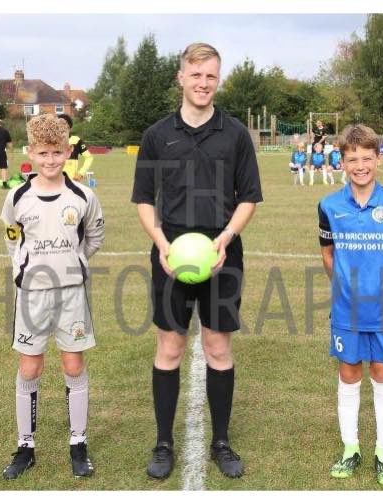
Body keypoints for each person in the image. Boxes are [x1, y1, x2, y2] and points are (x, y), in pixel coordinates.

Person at [131, 42, 263, 480]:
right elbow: (143, 199)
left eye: (211, 76)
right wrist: (161, 244)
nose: (203, 83)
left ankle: (221, 441)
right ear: (181, 77)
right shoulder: (157, 135)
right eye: (196, 75)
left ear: (217, 80)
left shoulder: (236, 134)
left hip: (223, 255)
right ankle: (163, 443)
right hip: (171, 256)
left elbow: (249, 198)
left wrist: (225, 238)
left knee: (218, 348)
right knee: (169, 347)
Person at [0, 114, 105, 480]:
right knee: (30, 367)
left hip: (71, 294)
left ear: (67, 152)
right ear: (31, 152)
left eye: (57, 152)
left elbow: (94, 237)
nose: (50, 160)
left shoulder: (83, 196)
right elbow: (12, 236)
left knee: (73, 365)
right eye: (43, 153)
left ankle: (78, 444)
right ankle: (25, 447)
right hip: (32, 295)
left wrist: (75, 263)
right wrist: (22, 267)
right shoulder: (17, 196)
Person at [317, 124, 383, 487]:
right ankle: (351, 448)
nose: (360, 166)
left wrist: (379, 282)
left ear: (378, 160)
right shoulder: (328, 206)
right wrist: (345, 286)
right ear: (341, 162)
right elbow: (327, 254)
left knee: (382, 373)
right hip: (346, 310)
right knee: (349, 373)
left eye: (367, 158)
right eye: (352, 159)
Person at [57, 113, 94, 182]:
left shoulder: (76, 140)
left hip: (72, 181)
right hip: (55, 181)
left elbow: (89, 158)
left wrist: (81, 173)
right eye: (58, 125)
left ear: (69, 126)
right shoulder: (52, 141)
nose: (61, 128)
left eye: (63, 124)